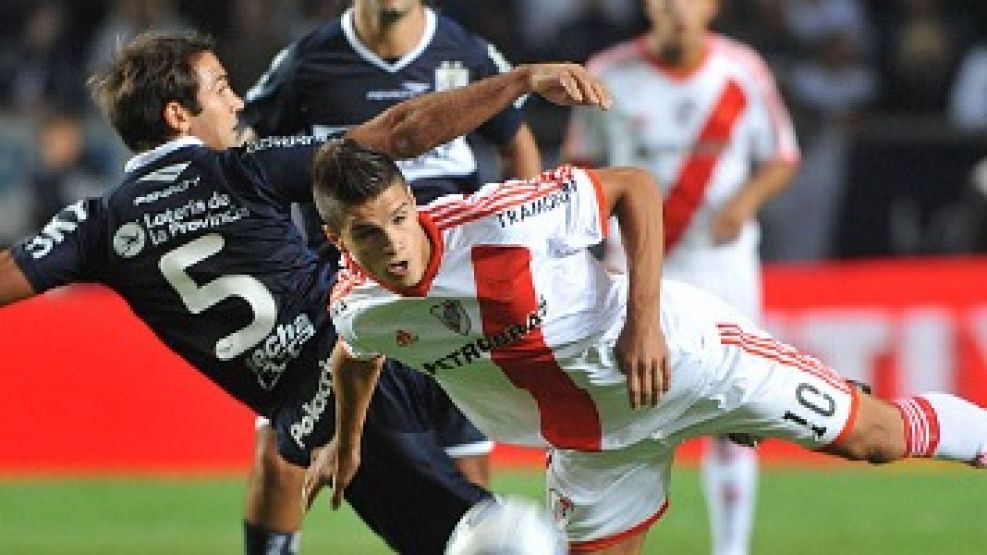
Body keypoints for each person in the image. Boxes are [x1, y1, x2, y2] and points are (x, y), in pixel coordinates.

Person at [0, 31, 612, 554]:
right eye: (219, 90)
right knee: (490, 523)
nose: (236, 102)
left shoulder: (98, 225)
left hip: (339, 395)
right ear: (176, 115)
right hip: (383, 353)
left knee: (493, 535)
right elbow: (396, 135)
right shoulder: (246, 168)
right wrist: (518, 82)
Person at [308, 139, 987, 555]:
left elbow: (633, 185)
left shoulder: (501, 217)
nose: (394, 242)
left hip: (685, 360)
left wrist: (643, 322)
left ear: (411, 201)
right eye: (368, 233)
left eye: (400, 216)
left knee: (872, 437)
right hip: (595, 447)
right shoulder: (360, 306)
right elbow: (353, 357)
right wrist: (347, 439)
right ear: (340, 240)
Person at [237, 1, 544, 547]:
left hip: (448, 293)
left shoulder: (466, 54)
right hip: (338, 291)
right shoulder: (306, 64)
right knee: (281, 452)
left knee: (462, 472)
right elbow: (244, 157)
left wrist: (523, 244)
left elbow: (515, 141)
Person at [563, 1, 800, 552]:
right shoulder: (609, 71)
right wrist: (592, 253)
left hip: (722, 262)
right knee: (627, 409)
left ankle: (732, 547)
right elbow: (580, 166)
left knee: (736, 404)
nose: (678, 10)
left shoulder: (742, 69)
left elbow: (783, 155)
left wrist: (744, 202)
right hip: (637, 267)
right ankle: (611, 537)